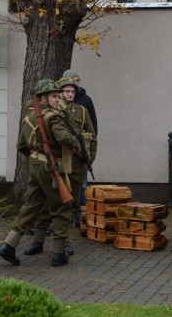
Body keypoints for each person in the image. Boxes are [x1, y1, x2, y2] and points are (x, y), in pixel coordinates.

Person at [0, 79, 80, 267]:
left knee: (32, 205)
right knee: (62, 207)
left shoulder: (29, 117)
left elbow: (21, 145)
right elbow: (64, 137)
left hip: (34, 166)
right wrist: (77, 143)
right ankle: (59, 253)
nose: (58, 100)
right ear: (43, 98)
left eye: (59, 96)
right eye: (54, 96)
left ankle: (9, 244)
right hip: (49, 168)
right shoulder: (53, 117)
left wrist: (36, 157)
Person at [24, 76, 97, 258]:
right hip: (57, 163)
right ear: (60, 93)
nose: (70, 94)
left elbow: (92, 137)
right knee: (45, 205)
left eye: (72, 91)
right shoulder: (54, 111)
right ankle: (38, 242)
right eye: (66, 91)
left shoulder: (82, 111)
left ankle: (63, 244)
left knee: (69, 207)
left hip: (76, 166)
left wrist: (88, 160)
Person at [62, 68, 97, 225]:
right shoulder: (57, 103)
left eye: (77, 81)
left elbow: (92, 128)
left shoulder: (85, 101)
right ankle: (64, 218)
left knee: (80, 186)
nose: (73, 87)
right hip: (63, 153)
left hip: (79, 154)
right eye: (71, 80)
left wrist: (88, 154)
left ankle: (79, 218)